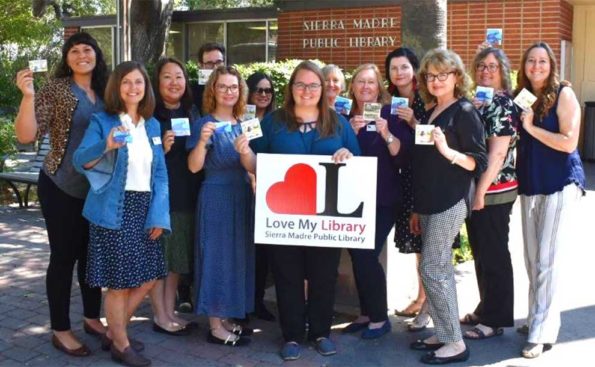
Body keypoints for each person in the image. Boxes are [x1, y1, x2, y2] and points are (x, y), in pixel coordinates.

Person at [235, 60, 361, 361]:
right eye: (300, 85)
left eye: (313, 85)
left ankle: (320, 332)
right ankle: (291, 335)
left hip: (325, 219)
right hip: (284, 218)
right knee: (287, 275)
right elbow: (257, 165)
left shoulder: (337, 122)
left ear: (322, 88)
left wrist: (347, 155)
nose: (306, 91)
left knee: (323, 276)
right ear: (291, 88)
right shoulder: (274, 122)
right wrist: (244, 154)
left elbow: (357, 163)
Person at [14, 32, 109, 357]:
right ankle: (60, 329)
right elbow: (27, 135)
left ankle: (93, 318)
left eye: (88, 49)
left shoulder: (107, 89)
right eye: (74, 50)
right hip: (61, 186)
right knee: (63, 258)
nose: (82, 54)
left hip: (97, 190)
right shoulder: (56, 89)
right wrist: (28, 96)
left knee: (91, 257)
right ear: (66, 58)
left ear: (97, 54)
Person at [73, 61, 169, 367]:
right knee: (119, 283)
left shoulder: (152, 125)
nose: (133, 88)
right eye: (126, 82)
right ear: (117, 86)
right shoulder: (103, 121)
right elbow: (80, 161)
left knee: (149, 278)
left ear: (146, 87)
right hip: (114, 209)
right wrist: (106, 144)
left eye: (139, 82)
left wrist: (159, 216)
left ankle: (115, 334)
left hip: (145, 209)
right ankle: (122, 343)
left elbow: (161, 176)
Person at [409, 48, 487, 364]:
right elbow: (423, 164)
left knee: (432, 267)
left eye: (443, 74)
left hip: (450, 201)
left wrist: (446, 149)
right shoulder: (431, 111)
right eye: (430, 75)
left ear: (456, 77)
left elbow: (477, 161)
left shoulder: (464, 111)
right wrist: (416, 207)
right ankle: (445, 333)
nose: (436, 80)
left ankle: (455, 343)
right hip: (429, 201)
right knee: (435, 269)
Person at [514, 42, 585, 359]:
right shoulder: (524, 96)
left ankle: (542, 332)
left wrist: (530, 127)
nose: (536, 66)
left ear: (551, 64)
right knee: (532, 260)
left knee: (548, 260)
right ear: (524, 66)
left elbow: (569, 142)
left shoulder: (563, 94)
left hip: (559, 184)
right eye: (531, 61)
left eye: (542, 61)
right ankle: (534, 319)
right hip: (531, 184)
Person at [187, 66, 255, 347]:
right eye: (223, 86)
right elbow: (193, 167)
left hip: (241, 194)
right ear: (212, 89)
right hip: (215, 196)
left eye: (234, 87)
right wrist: (202, 142)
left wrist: (246, 153)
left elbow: (255, 167)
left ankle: (226, 316)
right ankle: (215, 325)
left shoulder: (247, 122)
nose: (229, 91)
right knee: (216, 256)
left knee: (236, 256)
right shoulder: (204, 123)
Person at [341, 63, 408, 339]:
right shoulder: (344, 117)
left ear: (378, 88)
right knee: (357, 254)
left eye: (371, 83)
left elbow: (403, 155)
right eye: (360, 82)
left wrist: (386, 133)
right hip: (354, 199)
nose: (365, 88)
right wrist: (351, 134)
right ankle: (367, 312)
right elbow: (337, 154)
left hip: (384, 197)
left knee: (367, 253)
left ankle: (380, 318)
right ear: (353, 87)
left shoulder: (390, 114)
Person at [460, 47, 519, 340]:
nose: (486, 70)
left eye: (493, 66)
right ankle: (486, 308)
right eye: (481, 65)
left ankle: (495, 320)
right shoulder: (479, 101)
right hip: (477, 189)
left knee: (494, 253)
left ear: (502, 71)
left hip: (495, 190)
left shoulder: (503, 104)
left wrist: (480, 192)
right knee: (481, 253)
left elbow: (497, 155)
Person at [149, 57, 202, 336]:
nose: (174, 82)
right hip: (161, 197)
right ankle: (160, 315)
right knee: (161, 260)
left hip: (187, 195)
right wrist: (162, 150)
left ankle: (169, 312)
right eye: (167, 77)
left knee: (177, 260)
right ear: (157, 82)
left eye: (179, 76)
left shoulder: (192, 112)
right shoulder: (149, 114)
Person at [384, 47, 428, 320]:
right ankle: (422, 297)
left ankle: (427, 302)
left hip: (428, 177)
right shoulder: (390, 102)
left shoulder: (425, 97)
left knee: (427, 243)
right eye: (393, 68)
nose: (399, 72)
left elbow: (434, 138)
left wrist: (414, 122)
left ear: (414, 68)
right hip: (407, 177)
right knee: (417, 243)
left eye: (404, 67)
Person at [245, 71, 276, 322]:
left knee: (262, 254)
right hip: (243, 189)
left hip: (270, 194)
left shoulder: (277, 120)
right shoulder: (240, 117)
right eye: (259, 90)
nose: (264, 95)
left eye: (268, 91)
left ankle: (257, 302)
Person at [191, 42, 226, 114]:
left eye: (219, 62)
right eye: (209, 63)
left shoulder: (234, 88)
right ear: (201, 65)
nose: (215, 67)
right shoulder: (192, 92)